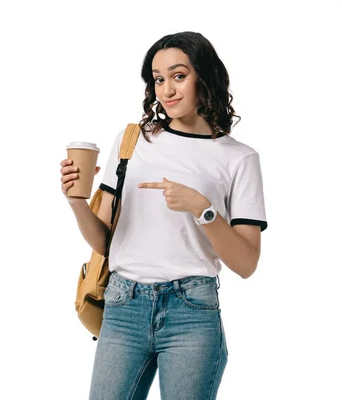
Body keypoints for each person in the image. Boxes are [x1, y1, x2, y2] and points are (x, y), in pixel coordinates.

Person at [59, 31, 267, 399]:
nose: (167, 90)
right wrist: (77, 200)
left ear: (204, 76)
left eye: (179, 76)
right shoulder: (133, 141)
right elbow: (105, 241)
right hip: (123, 306)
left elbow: (247, 263)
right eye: (158, 79)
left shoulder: (239, 158)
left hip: (192, 311)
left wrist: (202, 209)